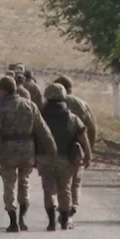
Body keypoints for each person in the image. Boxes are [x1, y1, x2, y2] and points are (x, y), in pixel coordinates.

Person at [0, 76, 56, 233]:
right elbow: (42, 130)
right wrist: (51, 148)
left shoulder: (1, 108)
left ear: (3, 90)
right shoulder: (30, 105)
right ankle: (22, 217)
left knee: (9, 184)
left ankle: (13, 220)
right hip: (27, 149)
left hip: (8, 150)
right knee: (24, 182)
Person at [38, 83, 92, 230]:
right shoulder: (72, 118)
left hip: (45, 158)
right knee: (65, 189)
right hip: (66, 159)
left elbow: (33, 135)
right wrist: (88, 155)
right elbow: (83, 136)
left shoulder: (40, 116)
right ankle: (64, 220)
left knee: (48, 189)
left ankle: (51, 221)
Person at [52, 75, 98, 150]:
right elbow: (91, 128)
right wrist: (88, 149)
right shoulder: (82, 104)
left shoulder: (51, 103)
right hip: (78, 148)